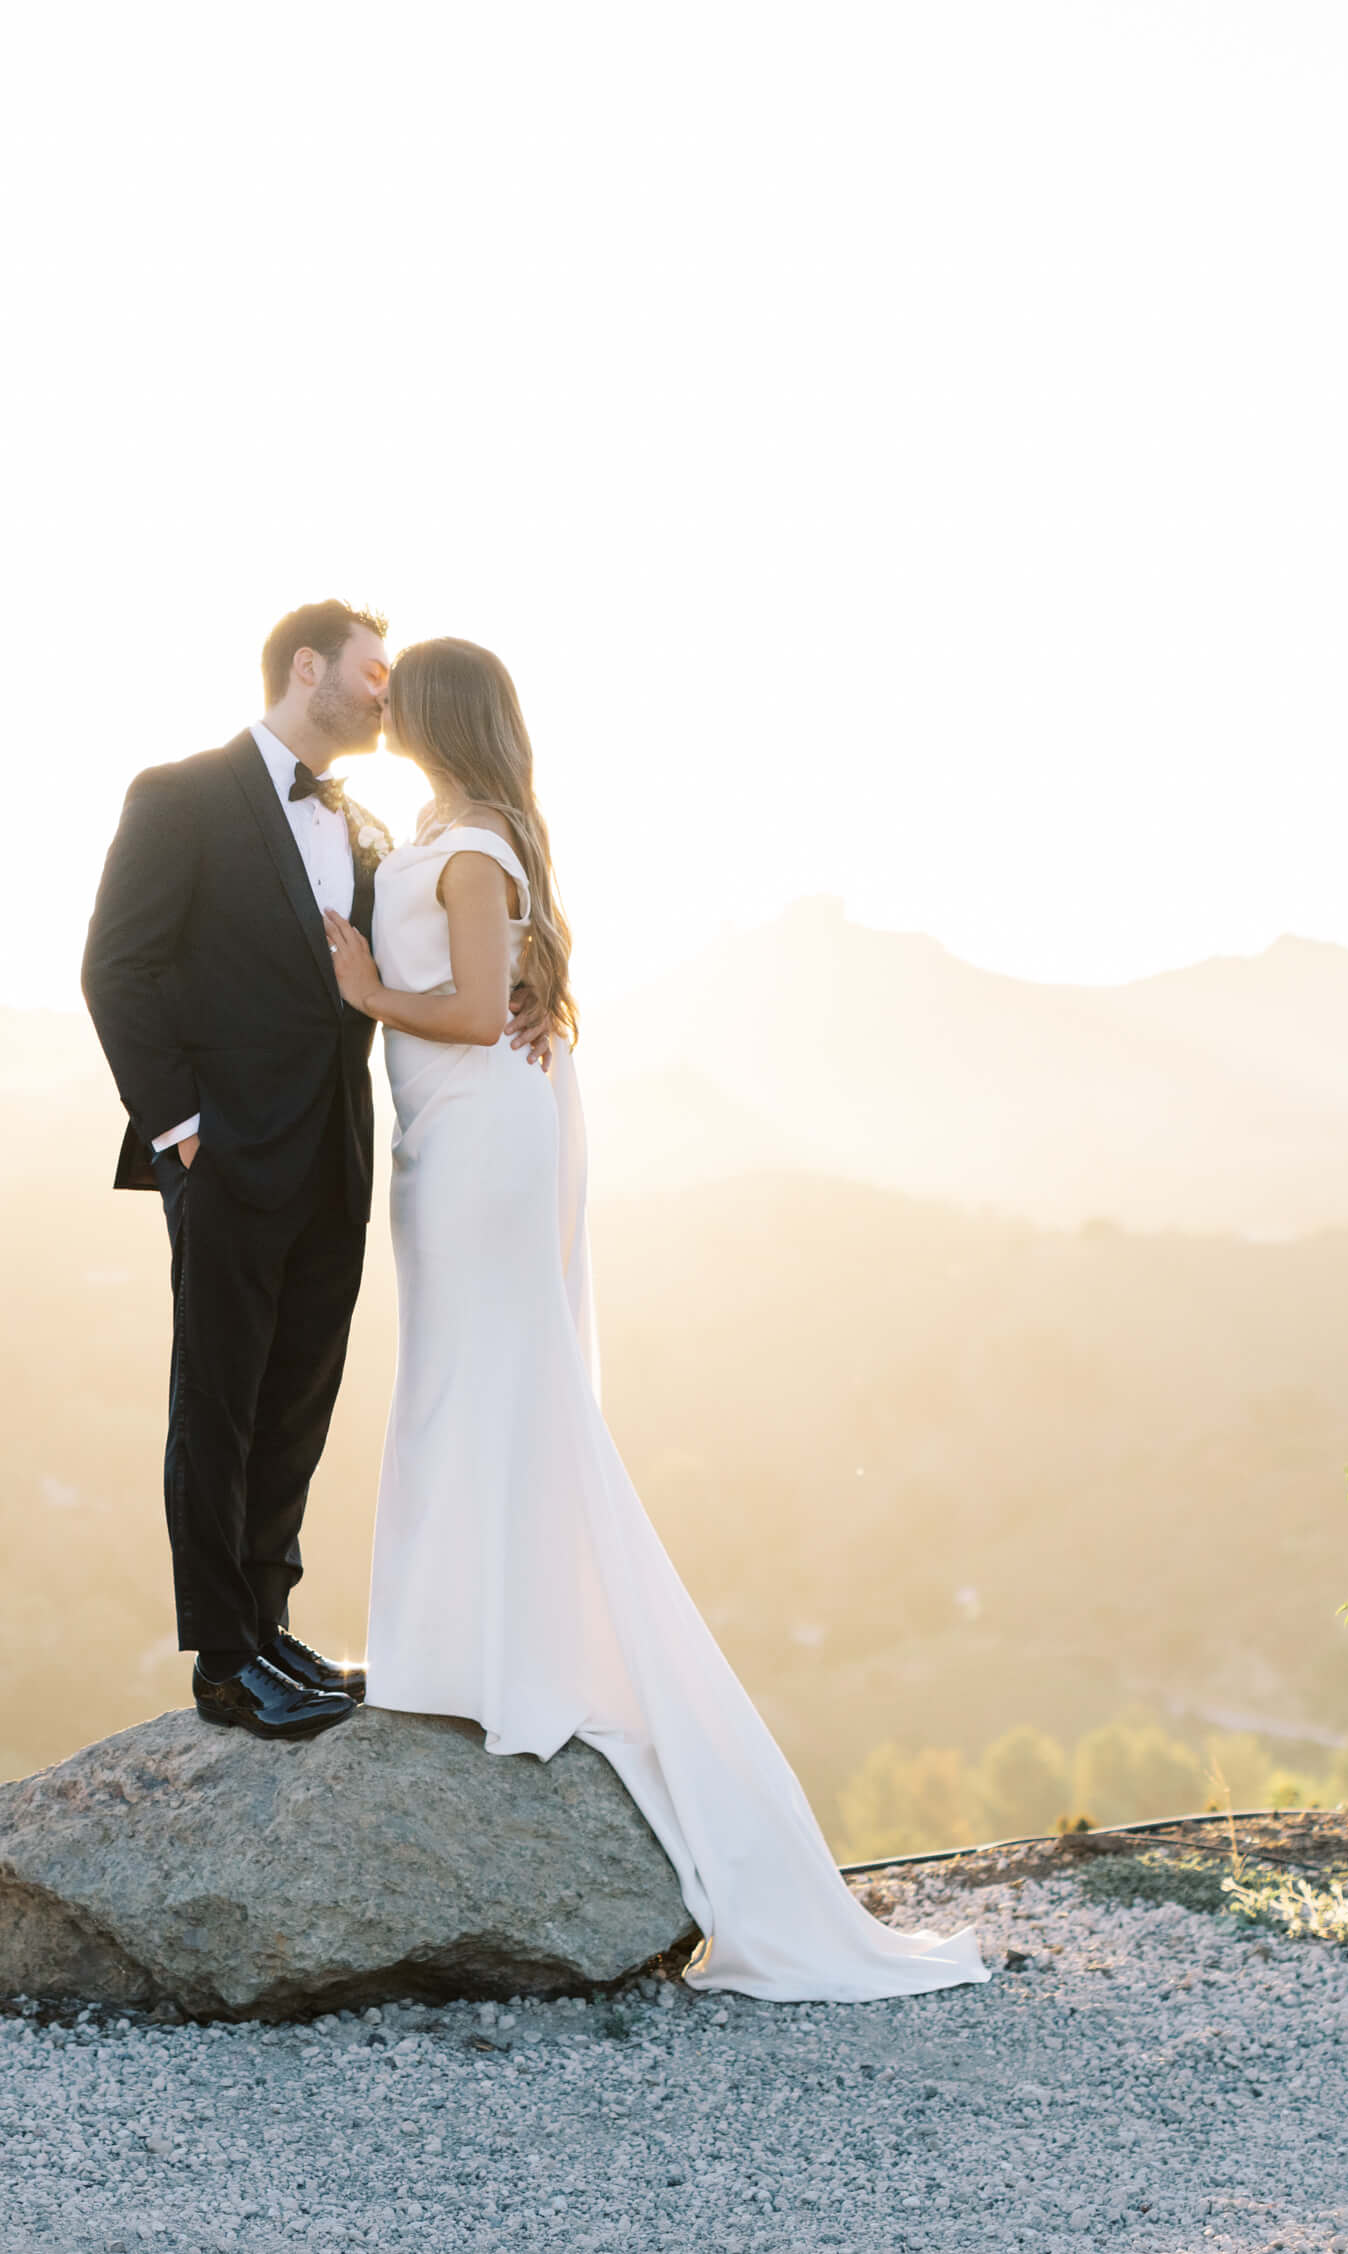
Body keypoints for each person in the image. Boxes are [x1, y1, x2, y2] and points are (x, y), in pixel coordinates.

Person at [322, 636, 985, 1999]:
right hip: (452, 1137)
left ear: (437, 715)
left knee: (488, 1383)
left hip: (479, 1140)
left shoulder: (473, 851)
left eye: (404, 693)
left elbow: (472, 1004)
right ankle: (464, 1637)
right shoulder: (455, 831)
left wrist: (362, 987)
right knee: (457, 1381)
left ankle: (503, 1657)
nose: (381, 707)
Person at [78, 601, 394, 1740]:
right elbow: (118, 967)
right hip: (222, 1151)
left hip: (333, 1151)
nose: (382, 694)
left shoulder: (366, 826)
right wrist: (180, 1132)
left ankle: (270, 1621)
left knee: (298, 1390)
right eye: (371, 673)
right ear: (305, 667)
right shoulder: (180, 796)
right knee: (217, 1397)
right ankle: (222, 1661)